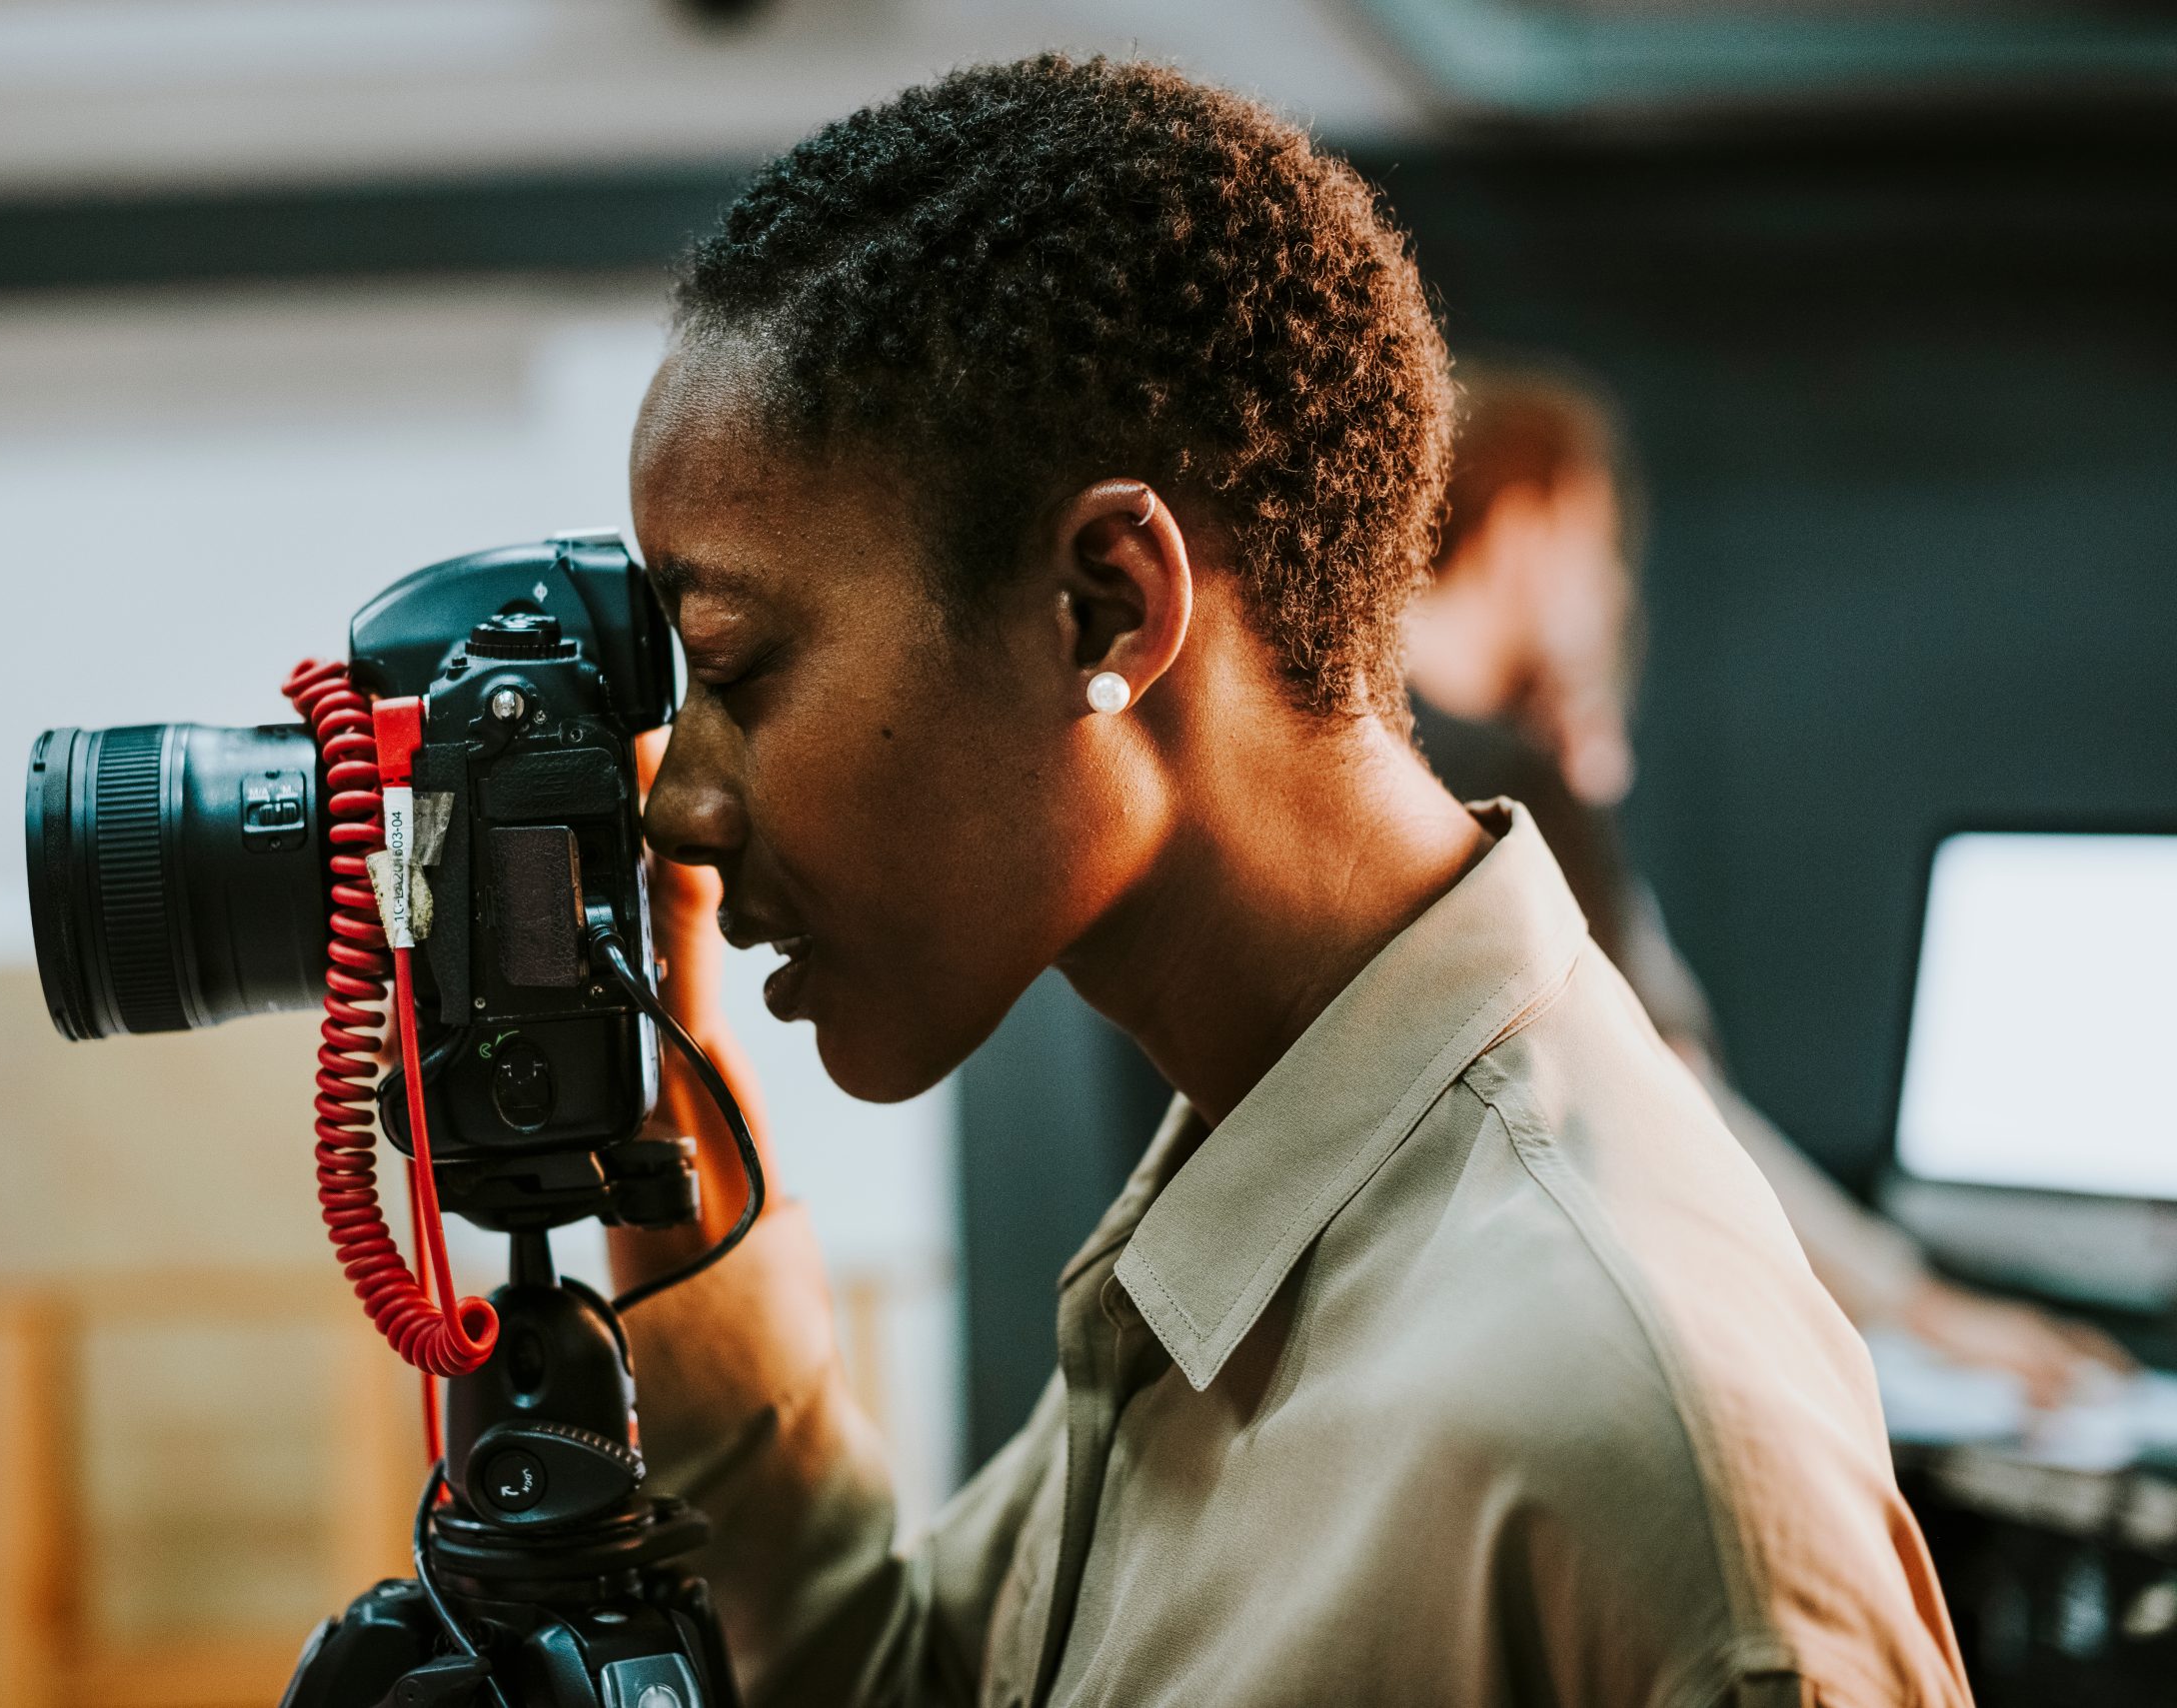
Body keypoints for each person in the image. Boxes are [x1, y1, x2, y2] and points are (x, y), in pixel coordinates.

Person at [608, 58, 1967, 1706]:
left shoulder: (1617, 1429)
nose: (677, 801)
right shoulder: (1256, 1183)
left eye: (737, 669)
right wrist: (657, 1155)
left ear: (1107, 607)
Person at [1406, 366, 2132, 1407]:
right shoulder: (1506, 786)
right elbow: (1664, 1096)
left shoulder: (1368, 751)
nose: (1616, 592)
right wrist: (1928, 1307)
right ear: (1531, 518)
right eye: (1602, 548)